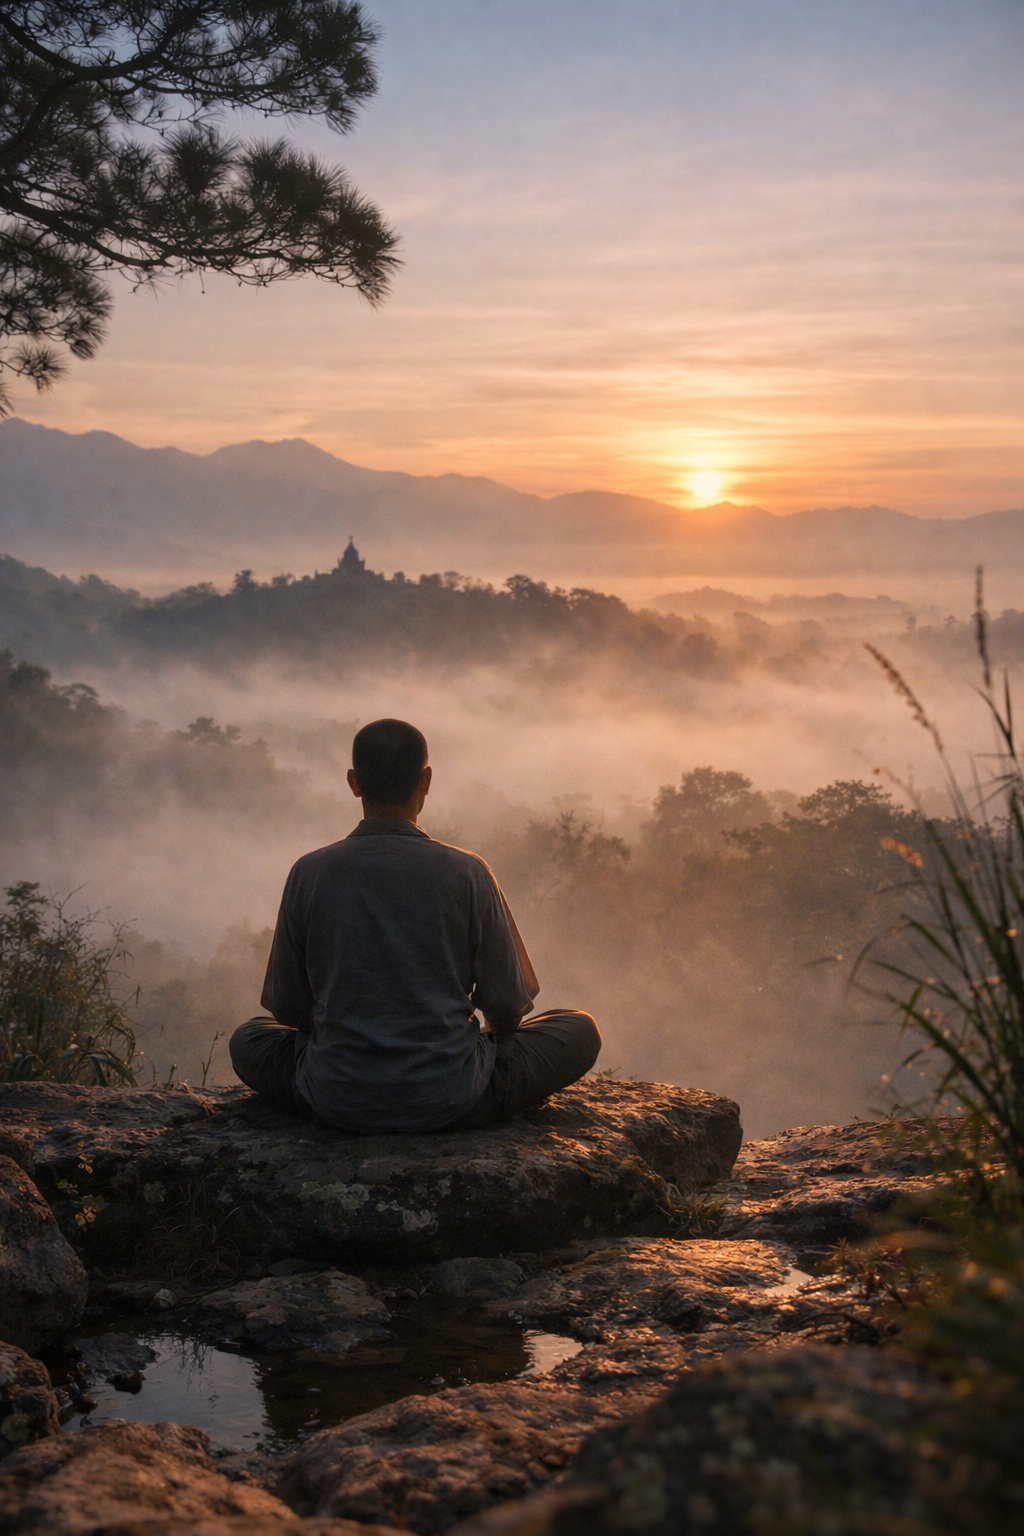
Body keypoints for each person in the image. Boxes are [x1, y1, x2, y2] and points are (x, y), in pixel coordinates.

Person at [229, 718, 601, 1131]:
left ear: (354, 783)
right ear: (426, 781)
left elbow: (289, 1007)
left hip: (336, 1096)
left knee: (248, 1039)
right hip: (451, 1097)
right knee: (580, 1028)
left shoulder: (309, 872)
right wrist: (473, 1043)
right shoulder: (468, 872)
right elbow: (508, 1008)